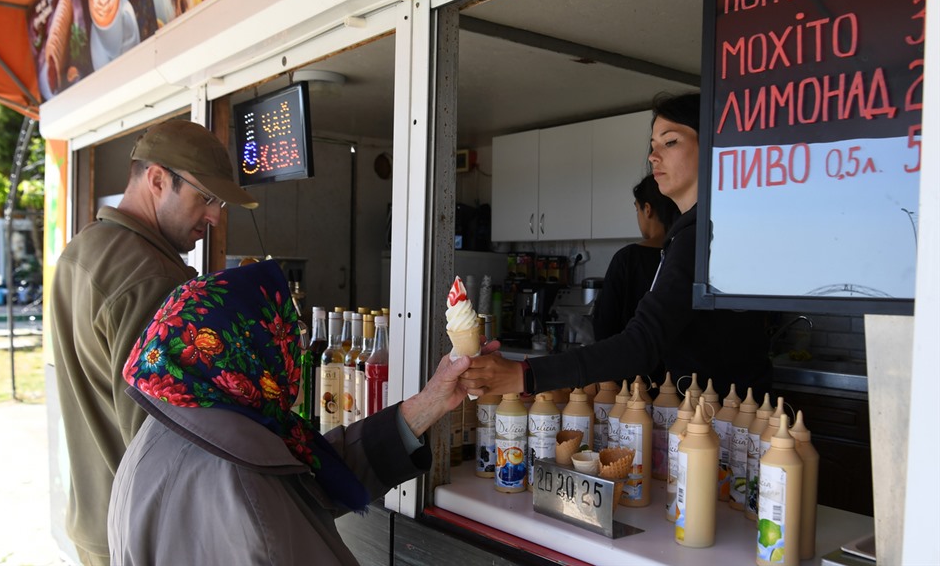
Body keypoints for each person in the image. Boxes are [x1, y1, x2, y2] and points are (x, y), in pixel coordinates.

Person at [108, 259, 486, 565]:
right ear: (247, 349)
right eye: (285, 332)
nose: (296, 349)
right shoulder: (240, 487)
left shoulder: (178, 424)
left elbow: (302, 476)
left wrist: (428, 404)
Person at [461, 93, 770, 401]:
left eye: (671, 142)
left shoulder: (703, 235)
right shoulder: (701, 229)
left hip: (728, 419)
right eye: (652, 146)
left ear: (714, 149)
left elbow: (642, 344)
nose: (653, 157)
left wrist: (525, 374)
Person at [51, 120, 258, 565]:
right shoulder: (153, 280)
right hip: (143, 538)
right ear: (158, 180)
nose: (216, 217)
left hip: (96, 523)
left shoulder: (81, 250)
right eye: (206, 197)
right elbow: (162, 445)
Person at [592, 173, 680, 341]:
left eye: (636, 209)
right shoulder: (683, 255)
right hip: (674, 364)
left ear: (647, 210)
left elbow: (604, 325)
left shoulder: (626, 259)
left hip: (630, 361)